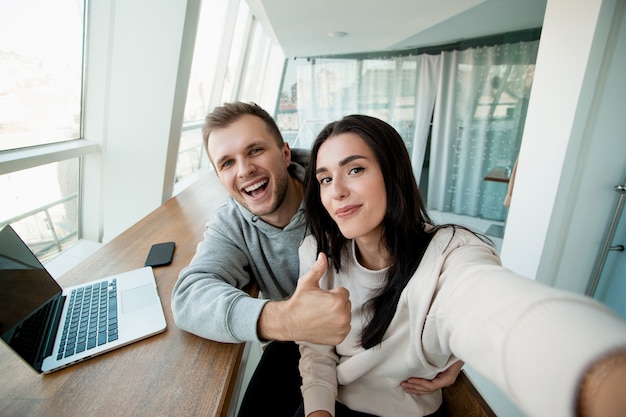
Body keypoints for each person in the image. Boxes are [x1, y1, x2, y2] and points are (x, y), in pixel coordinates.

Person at [295, 114, 626, 417]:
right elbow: (316, 354)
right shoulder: (317, 254)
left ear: (393, 173)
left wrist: (599, 373)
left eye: (355, 170)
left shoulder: (452, 252)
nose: (336, 191)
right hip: (333, 405)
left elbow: (488, 306)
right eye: (325, 179)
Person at [170, 102, 461, 417]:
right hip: (305, 346)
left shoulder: (339, 189)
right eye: (227, 163)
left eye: (254, 151)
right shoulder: (232, 223)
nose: (244, 170)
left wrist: (458, 344)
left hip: (381, 356)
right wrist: (285, 319)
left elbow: (421, 250)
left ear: (285, 153)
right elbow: (188, 295)